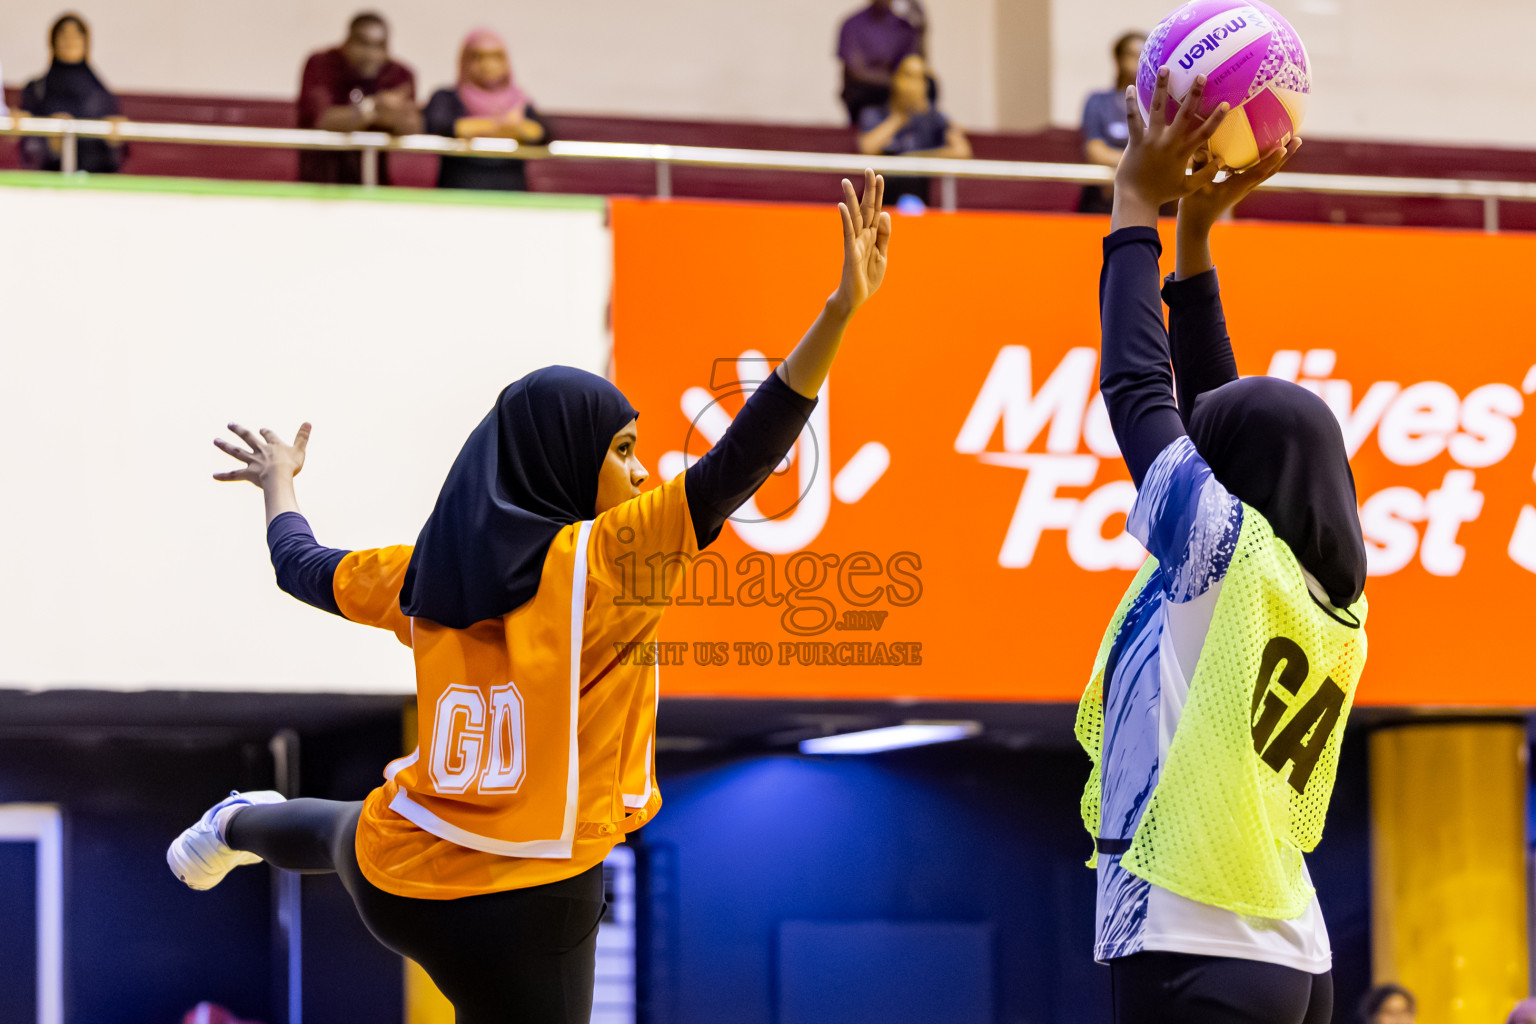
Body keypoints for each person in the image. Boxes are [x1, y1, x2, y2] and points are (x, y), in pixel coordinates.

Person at [168, 172, 893, 1024]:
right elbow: (742, 457)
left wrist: (278, 484)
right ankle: (246, 822)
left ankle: (240, 823)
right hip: (531, 896)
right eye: (624, 449)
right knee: (339, 834)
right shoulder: (608, 560)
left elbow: (299, 564)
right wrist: (840, 310)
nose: (641, 469)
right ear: (564, 462)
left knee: (341, 834)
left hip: (402, 867)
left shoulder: (423, 571)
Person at [1076, 69, 1367, 1024]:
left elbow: (1139, 393)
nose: (1194, 442)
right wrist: (1196, 237)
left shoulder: (1222, 555)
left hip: (1195, 940)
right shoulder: (1323, 593)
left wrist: (1134, 200)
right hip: (1288, 950)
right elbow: (1213, 410)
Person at [296, 12, 420, 185]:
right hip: (321, 185)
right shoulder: (321, 65)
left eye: (379, 46)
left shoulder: (397, 74)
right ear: (347, 42)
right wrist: (373, 108)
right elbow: (321, 120)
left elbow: (413, 127)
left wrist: (395, 117)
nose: (370, 54)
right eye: (363, 44)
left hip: (375, 186)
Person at [422, 29, 551, 192]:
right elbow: (439, 126)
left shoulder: (520, 101)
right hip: (458, 192)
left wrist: (472, 129)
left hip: (511, 195)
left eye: (496, 57)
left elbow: (540, 134)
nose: (488, 65)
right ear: (465, 60)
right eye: (478, 57)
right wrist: (502, 127)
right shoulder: (445, 98)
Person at [856, 53, 970, 205]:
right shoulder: (874, 113)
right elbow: (867, 147)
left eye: (920, 78)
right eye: (908, 75)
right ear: (895, 78)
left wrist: (915, 158)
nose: (914, 84)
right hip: (879, 202)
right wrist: (900, 117)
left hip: (918, 200)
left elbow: (962, 151)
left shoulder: (934, 118)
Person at [17, 13, 125, 174]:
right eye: (63, 34)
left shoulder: (101, 92)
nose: (70, 40)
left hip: (93, 186)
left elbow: (118, 154)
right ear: (52, 41)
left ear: (86, 43)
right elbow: (26, 148)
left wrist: (114, 139)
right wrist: (49, 143)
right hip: (48, 185)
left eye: (77, 34)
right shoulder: (36, 90)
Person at [1078, 31, 1145, 214]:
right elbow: (1096, 151)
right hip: (1104, 196)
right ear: (1119, 59)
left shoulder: (1156, 105)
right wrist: (1143, 162)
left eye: (1144, 55)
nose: (1138, 62)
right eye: (1132, 55)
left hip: (1147, 196)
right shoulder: (1097, 101)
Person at [836, 0, 922, 127]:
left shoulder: (903, 27)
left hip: (895, 91)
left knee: (927, 86)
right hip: (864, 92)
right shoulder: (853, 24)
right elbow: (855, 69)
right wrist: (893, 80)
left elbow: (914, 63)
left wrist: (920, 28)